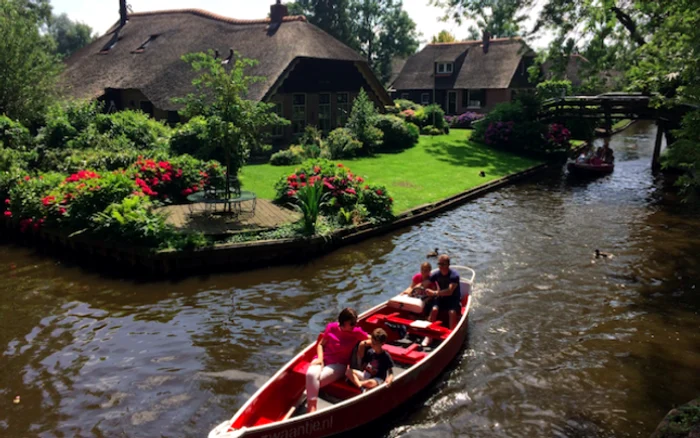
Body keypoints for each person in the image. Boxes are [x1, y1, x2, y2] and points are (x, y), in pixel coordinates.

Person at [306, 308, 369, 413]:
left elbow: (372, 340)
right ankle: (311, 406)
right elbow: (321, 344)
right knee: (310, 375)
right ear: (344, 322)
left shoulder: (356, 332)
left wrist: (363, 344)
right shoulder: (331, 327)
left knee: (316, 382)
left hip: (338, 364)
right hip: (323, 359)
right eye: (352, 323)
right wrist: (320, 359)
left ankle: (311, 407)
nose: (355, 325)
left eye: (355, 322)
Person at [425, 254, 461, 330]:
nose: (440, 266)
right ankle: (429, 333)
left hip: (453, 299)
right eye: (439, 264)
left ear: (448, 265)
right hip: (441, 297)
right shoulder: (436, 274)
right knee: (434, 309)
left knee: (451, 312)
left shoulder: (454, 276)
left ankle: (452, 333)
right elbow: (425, 283)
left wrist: (434, 293)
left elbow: (449, 291)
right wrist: (417, 288)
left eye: (443, 264)